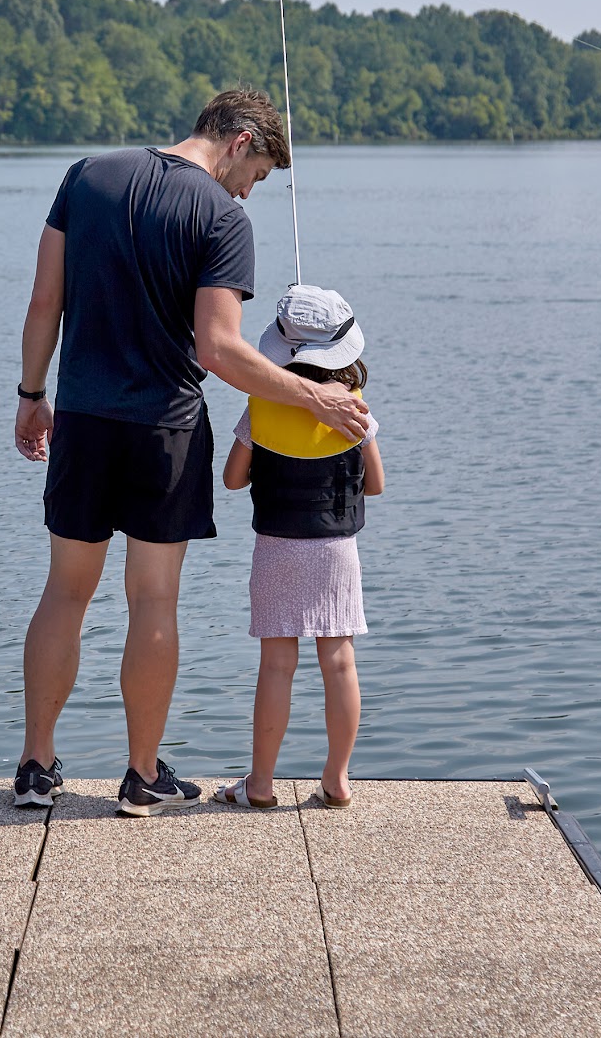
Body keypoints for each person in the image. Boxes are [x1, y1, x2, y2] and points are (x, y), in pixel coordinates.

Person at [12, 88, 371, 817]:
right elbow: (219, 349)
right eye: (259, 174)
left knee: (64, 591)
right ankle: (141, 775)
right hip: (164, 431)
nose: (251, 190)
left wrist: (30, 393)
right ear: (239, 141)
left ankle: (35, 765)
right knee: (153, 598)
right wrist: (317, 398)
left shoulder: (84, 176)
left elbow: (44, 299)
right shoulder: (221, 216)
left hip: (80, 416)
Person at [211, 286, 383, 812]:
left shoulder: (260, 409)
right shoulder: (356, 412)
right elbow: (374, 484)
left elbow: (233, 480)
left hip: (278, 547)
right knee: (339, 663)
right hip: (336, 548)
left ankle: (260, 783)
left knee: (276, 667)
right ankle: (336, 779)